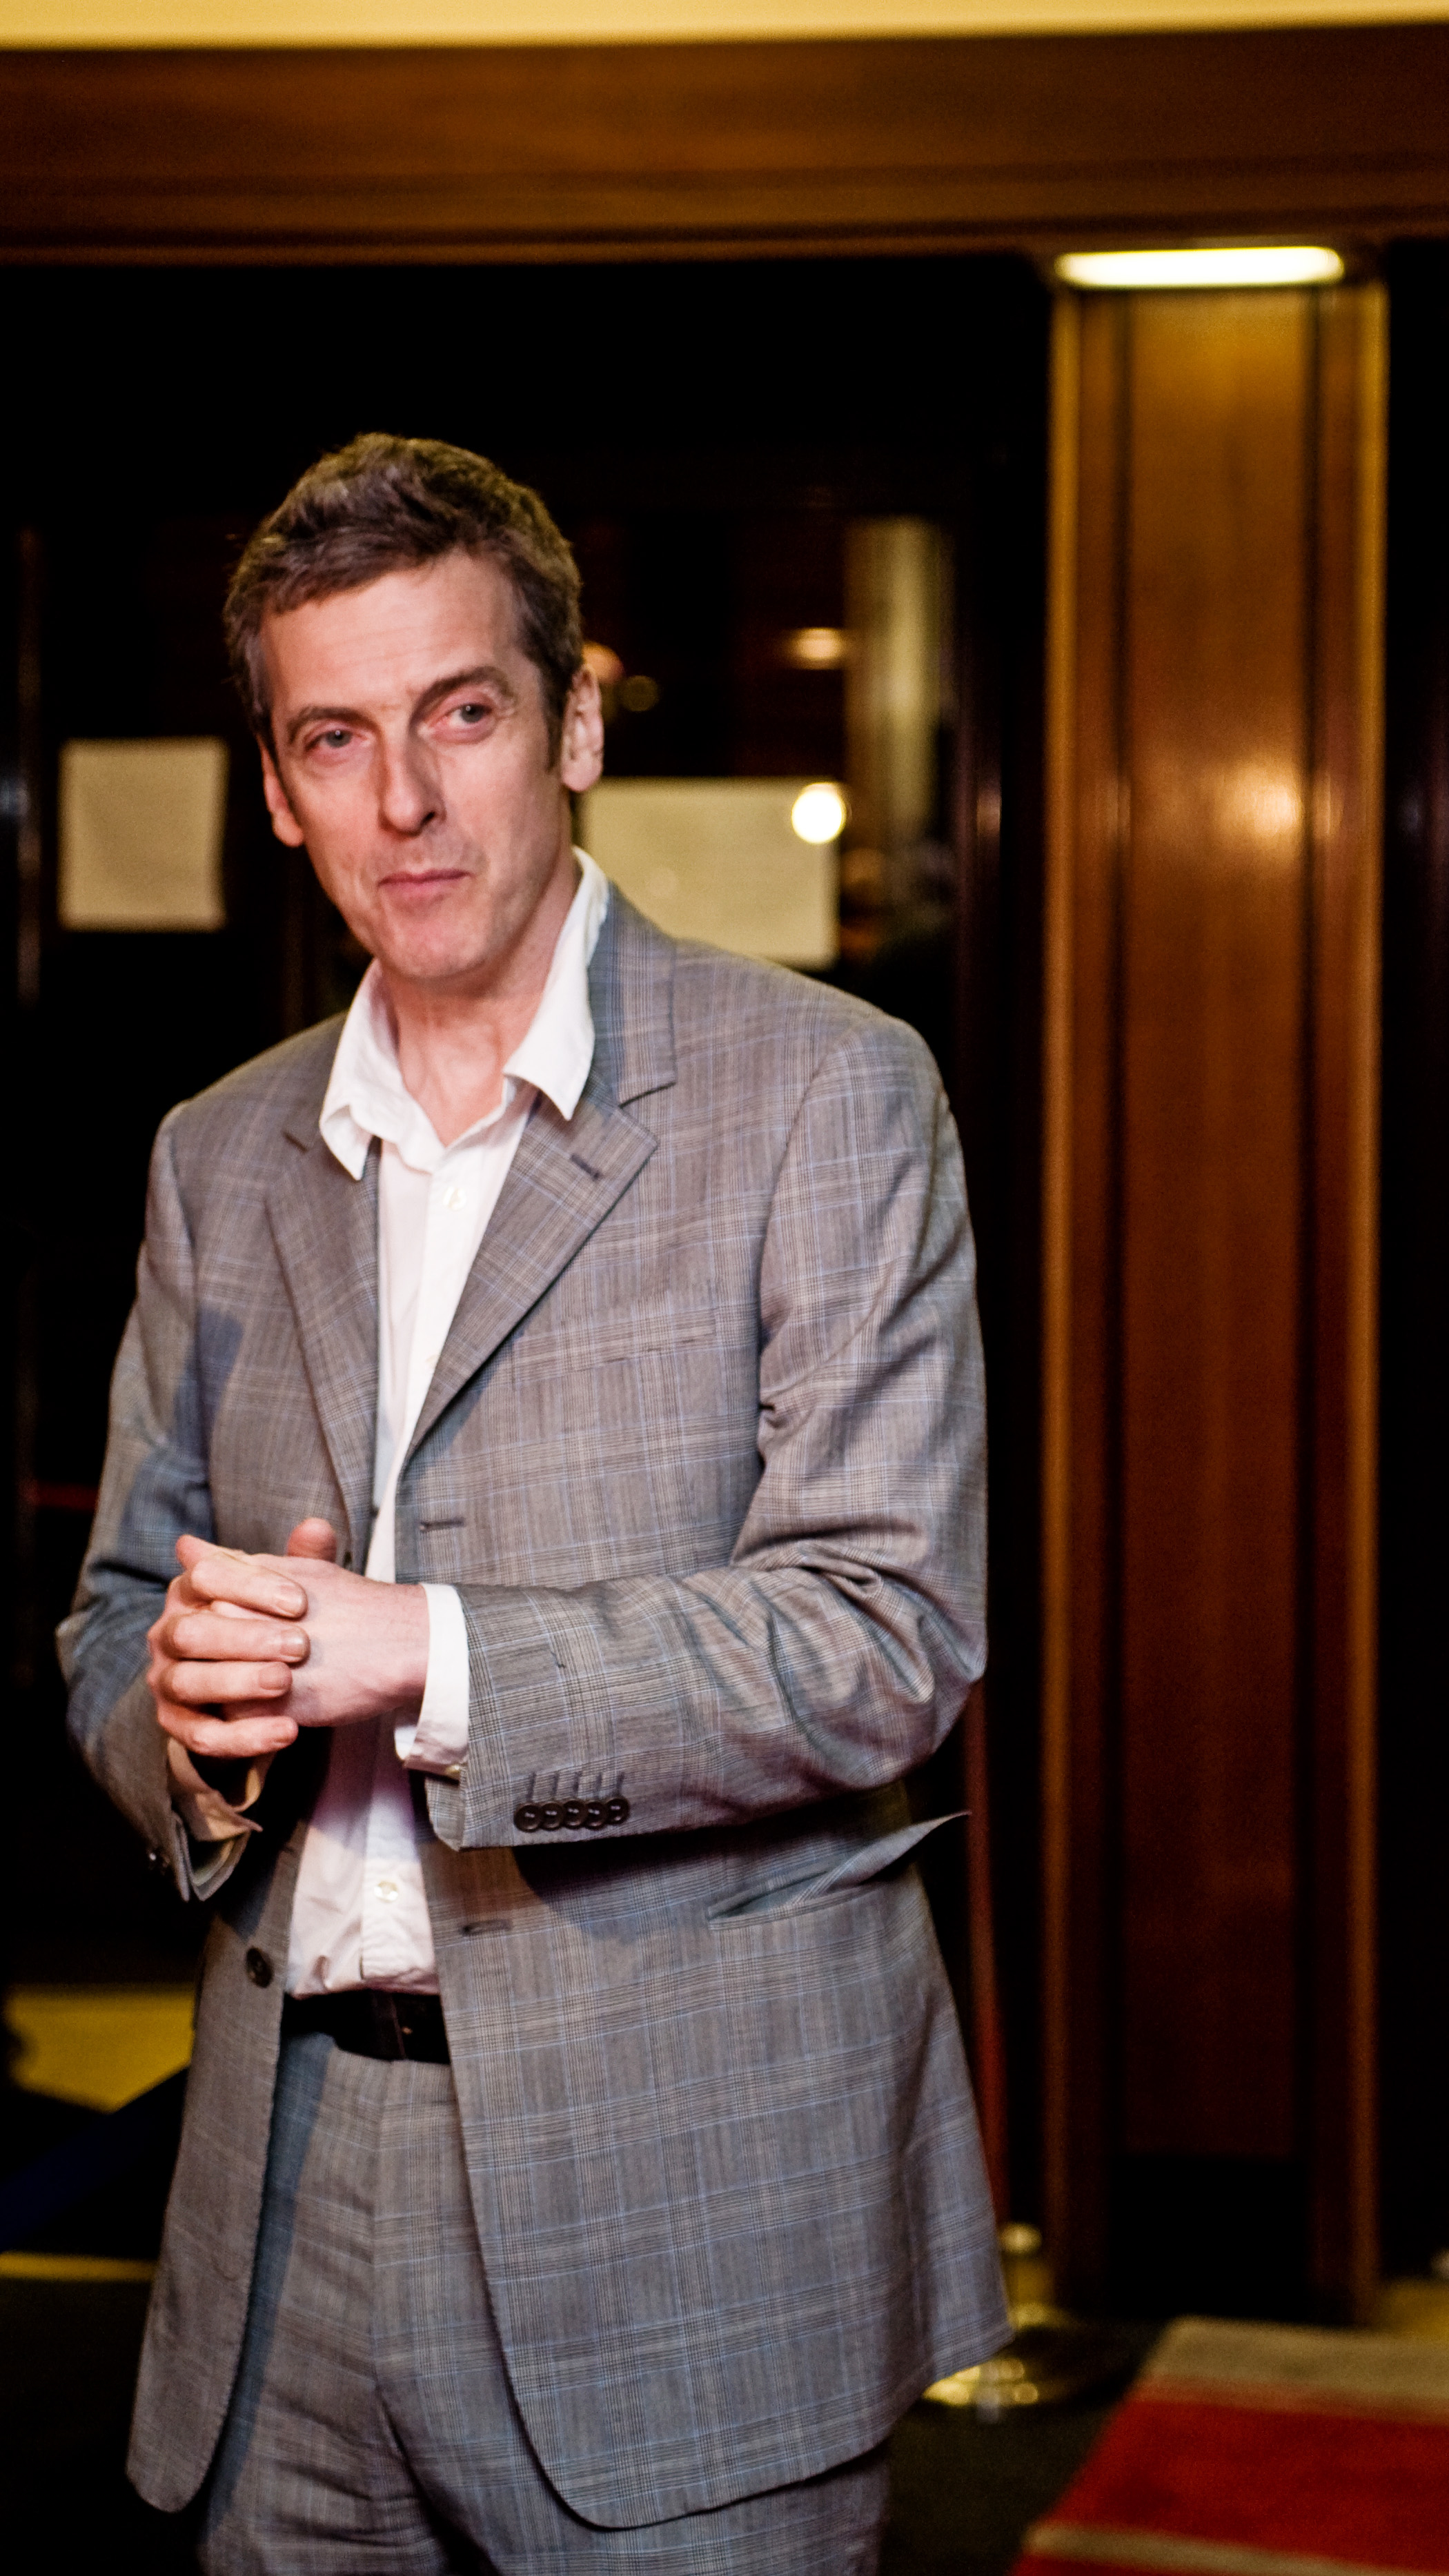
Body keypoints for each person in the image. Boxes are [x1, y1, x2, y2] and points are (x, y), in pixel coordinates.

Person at [61, 434, 1005, 2575]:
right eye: (336, 737)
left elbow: (889, 1637)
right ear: (282, 786)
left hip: (688, 2212)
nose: (404, 799)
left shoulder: (830, 1096)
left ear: (571, 722)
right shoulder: (221, 1154)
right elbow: (116, 1613)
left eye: (459, 715)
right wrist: (193, 1718)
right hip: (281, 2212)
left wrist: (433, 1653)